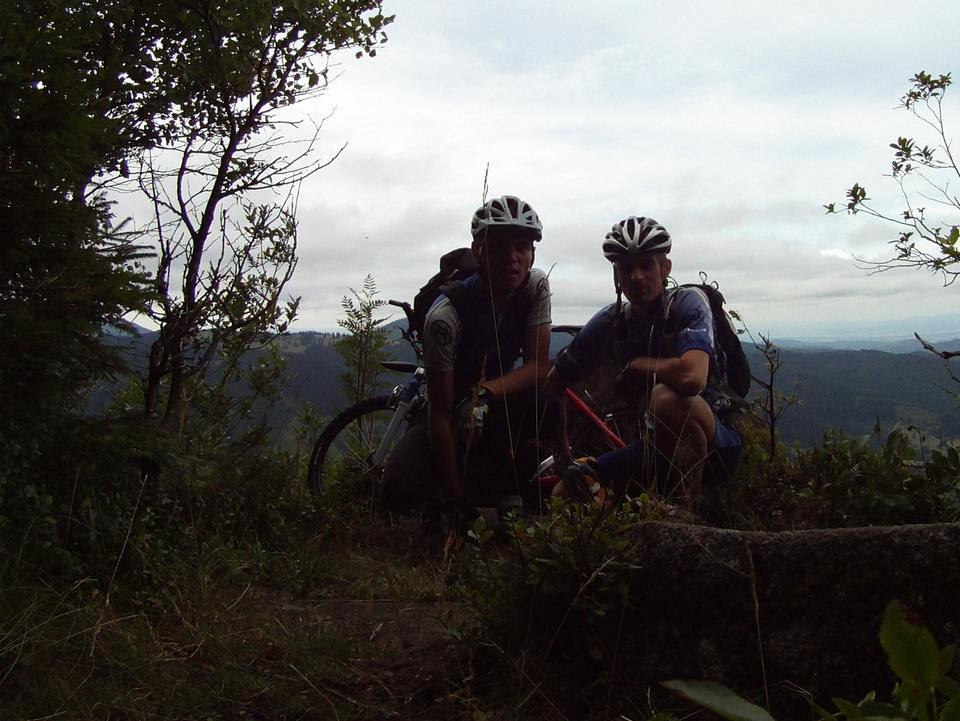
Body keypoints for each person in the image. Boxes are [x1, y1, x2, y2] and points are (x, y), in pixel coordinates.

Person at [544, 216, 742, 516]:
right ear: (617, 276)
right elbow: (554, 381)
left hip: (717, 444)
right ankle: (635, 521)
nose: (637, 276)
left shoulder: (688, 304)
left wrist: (639, 365)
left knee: (665, 399)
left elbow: (693, 377)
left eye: (646, 265)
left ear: (665, 268)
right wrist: (564, 460)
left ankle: (685, 512)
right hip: (654, 448)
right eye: (626, 268)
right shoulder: (612, 321)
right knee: (566, 492)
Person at [381, 194, 553, 531]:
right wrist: (454, 499)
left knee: (547, 401)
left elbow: (538, 368)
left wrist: (484, 393)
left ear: (532, 253)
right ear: (478, 252)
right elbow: (440, 414)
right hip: (450, 405)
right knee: (397, 491)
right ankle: (453, 491)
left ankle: (511, 489)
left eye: (522, 247)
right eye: (499, 248)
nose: (512, 258)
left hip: (500, 401)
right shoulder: (445, 318)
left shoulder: (535, 287)